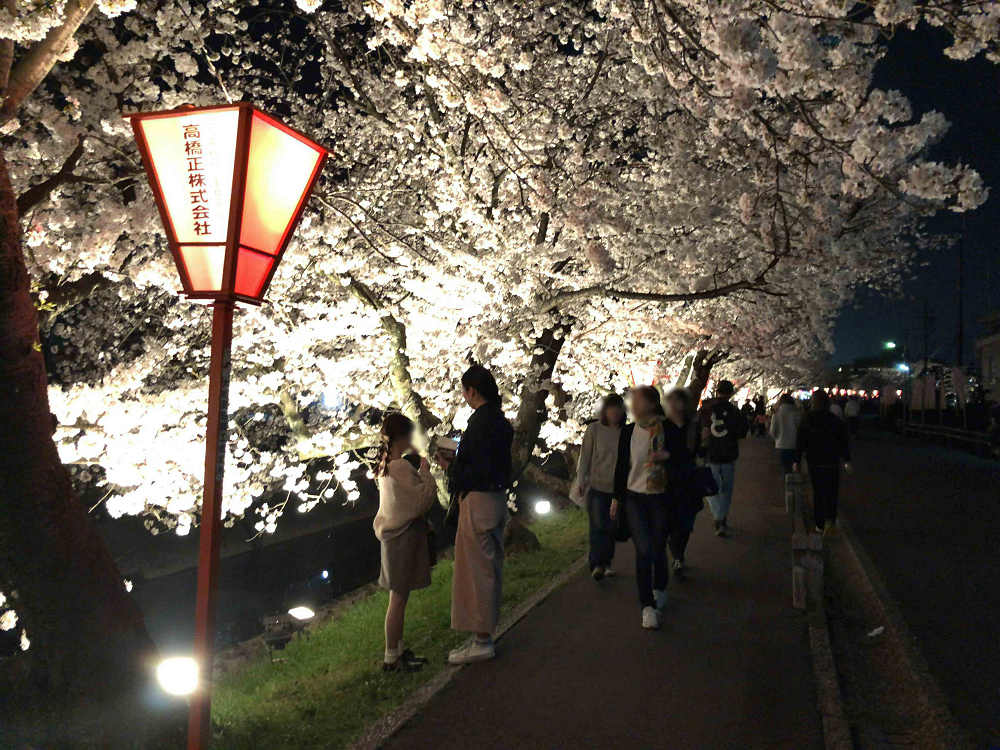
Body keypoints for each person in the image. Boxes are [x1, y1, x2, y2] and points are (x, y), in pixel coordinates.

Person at [437, 365, 513, 664]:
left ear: (472, 391)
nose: (464, 397)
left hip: (479, 501)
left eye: (465, 391)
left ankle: (482, 640)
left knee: (477, 571)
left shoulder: (480, 423)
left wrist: (449, 466)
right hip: (495, 499)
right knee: (488, 568)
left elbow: (475, 469)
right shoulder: (500, 420)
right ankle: (483, 634)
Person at [373, 413, 438, 672]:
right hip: (402, 538)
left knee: (398, 597)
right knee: (398, 599)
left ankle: (398, 650)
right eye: (410, 434)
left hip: (393, 538)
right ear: (402, 437)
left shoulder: (385, 465)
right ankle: (392, 657)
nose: (413, 439)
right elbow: (422, 500)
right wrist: (426, 474)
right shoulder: (400, 467)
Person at [612, 385, 672, 629]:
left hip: (660, 496)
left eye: (636, 400)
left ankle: (660, 586)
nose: (632, 404)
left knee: (657, 547)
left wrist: (668, 458)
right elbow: (621, 466)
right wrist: (616, 498)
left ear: (650, 403)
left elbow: (684, 458)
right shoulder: (628, 432)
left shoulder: (667, 430)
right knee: (644, 548)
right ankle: (647, 605)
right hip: (634, 496)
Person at [576, 393, 626, 581]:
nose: (614, 413)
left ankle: (606, 562)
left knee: (612, 528)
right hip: (597, 486)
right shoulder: (594, 429)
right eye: (611, 409)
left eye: (618, 409)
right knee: (598, 526)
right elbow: (585, 457)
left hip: (617, 489)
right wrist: (581, 480)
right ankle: (597, 564)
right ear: (605, 411)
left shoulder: (626, 432)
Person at [795, 389, 852, 534]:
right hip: (831, 461)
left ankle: (819, 524)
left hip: (814, 461)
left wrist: (797, 459)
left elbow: (800, 441)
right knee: (832, 492)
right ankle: (830, 522)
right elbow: (843, 442)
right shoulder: (835, 421)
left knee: (818, 493)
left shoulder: (807, 419)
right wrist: (846, 459)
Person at [698, 380, 748, 537]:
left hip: (710, 454)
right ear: (731, 393)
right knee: (726, 489)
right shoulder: (734, 411)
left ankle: (718, 518)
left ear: (716, 391)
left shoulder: (705, 409)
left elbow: (697, 428)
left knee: (711, 489)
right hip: (728, 454)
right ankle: (721, 519)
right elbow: (742, 432)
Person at [662, 388, 700, 577]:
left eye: (678, 402)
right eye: (671, 402)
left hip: (688, 479)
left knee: (685, 523)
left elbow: (697, 451)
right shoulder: (662, 426)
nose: (674, 406)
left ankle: (679, 554)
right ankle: (676, 554)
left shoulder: (692, 426)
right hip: (666, 480)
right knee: (670, 522)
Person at [769, 393, 801, 474]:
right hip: (795, 445)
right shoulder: (797, 414)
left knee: (785, 469)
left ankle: (787, 483)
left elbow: (772, 432)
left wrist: (777, 438)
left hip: (781, 445)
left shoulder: (776, 415)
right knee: (796, 467)